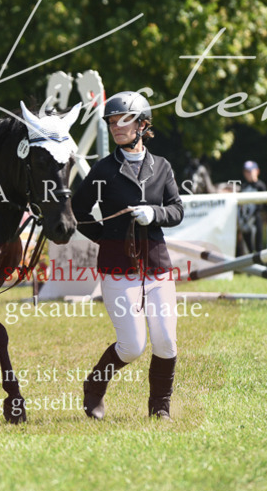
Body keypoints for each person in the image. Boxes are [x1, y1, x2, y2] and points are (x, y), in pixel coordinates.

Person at [70, 91, 184, 421]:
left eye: (124, 121)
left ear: (142, 125)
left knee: (166, 342)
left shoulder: (162, 167)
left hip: (157, 265)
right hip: (117, 267)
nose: (116, 127)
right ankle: (94, 387)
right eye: (111, 122)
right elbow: (78, 210)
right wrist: (107, 238)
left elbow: (177, 210)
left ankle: (160, 405)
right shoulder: (103, 169)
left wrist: (155, 213)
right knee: (132, 346)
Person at [236, 160, 266, 255]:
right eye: (246, 172)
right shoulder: (243, 187)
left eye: (250, 171)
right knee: (248, 247)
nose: (248, 174)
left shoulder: (261, 186)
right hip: (245, 220)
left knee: (258, 246)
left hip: (256, 219)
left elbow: (262, 205)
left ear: (257, 171)